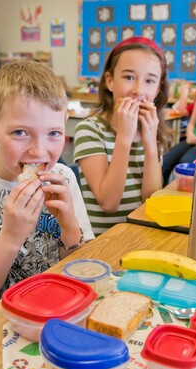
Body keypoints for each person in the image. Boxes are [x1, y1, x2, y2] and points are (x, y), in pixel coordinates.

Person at [0, 60, 94, 310]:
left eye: (54, 133)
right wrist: (10, 237)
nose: (39, 151)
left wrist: (69, 226)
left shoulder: (63, 177)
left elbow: (82, 274)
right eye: (20, 132)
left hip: (55, 314)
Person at [73, 36, 169, 236]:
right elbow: (109, 203)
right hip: (103, 243)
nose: (138, 91)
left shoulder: (152, 130)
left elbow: (150, 202)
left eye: (150, 81)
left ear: (158, 89)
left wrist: (151, 143)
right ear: (110, 81)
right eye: (128, 77)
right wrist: (124, 138)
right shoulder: (90, 130)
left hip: (140, 237)